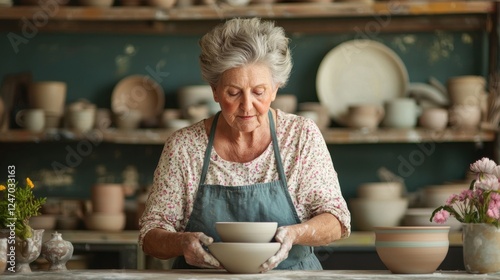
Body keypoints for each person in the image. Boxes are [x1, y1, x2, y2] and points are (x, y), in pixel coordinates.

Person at [139, 17, 351, 272]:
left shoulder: (301, 136)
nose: (247, 105)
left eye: (259, 92)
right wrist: (181, 242)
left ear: (275, 89)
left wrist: (296, 234)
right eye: (233, 92)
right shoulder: (184, 147)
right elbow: (150, 233)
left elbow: (337, 219)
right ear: (215, 91)